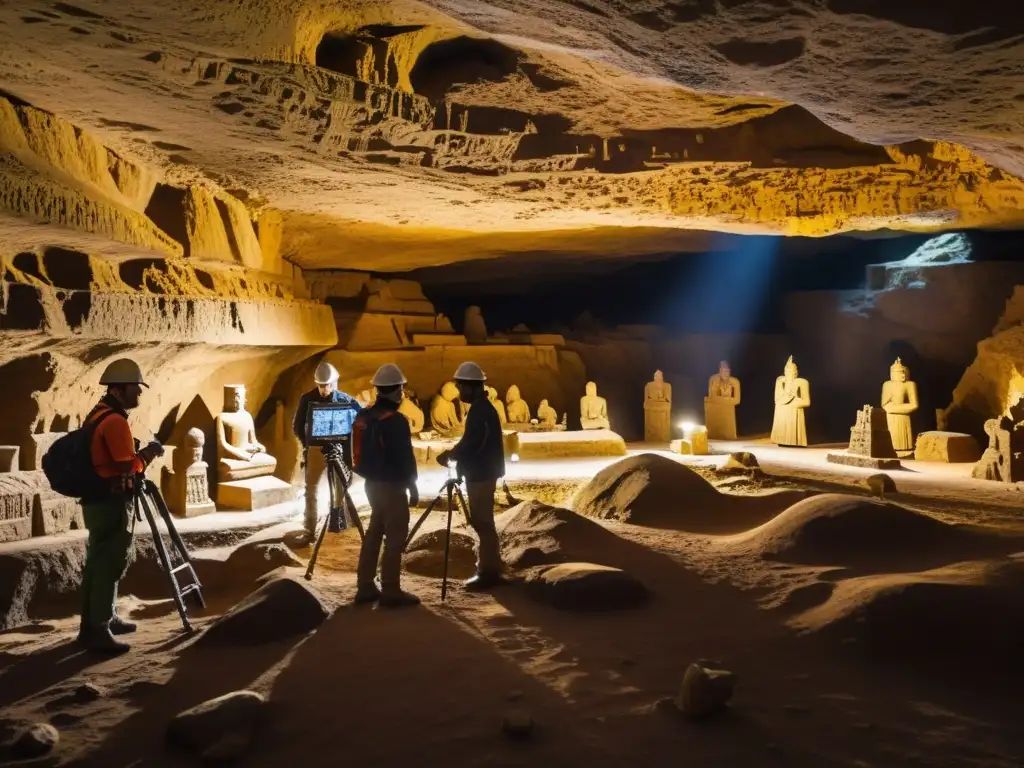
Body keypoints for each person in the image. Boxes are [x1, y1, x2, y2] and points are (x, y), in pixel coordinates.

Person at [79, 358, 163, 653]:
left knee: (99, 563)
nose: (138, 393)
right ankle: (99, 630)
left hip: (98, 499)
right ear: (118, 390)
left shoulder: (98, 414)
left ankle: (97, 622)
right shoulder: (114, 421)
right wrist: (149, 454)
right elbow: (127, 465)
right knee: (109, 563)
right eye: (134, 388)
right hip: (110, 500)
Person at [353, 363, 420, 607]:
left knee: (374, 532)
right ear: (395, 391)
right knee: (395, 536)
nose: (402, 394)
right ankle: (391, 589)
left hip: (371, 484)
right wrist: (412, 486)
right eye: (400, 390)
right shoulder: (396, 421)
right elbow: (404, 458)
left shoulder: (365, 416)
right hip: (393, 486)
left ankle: (365, 585)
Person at [437, 361, 506, 591]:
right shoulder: (481, 409)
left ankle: (488, 572)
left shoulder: (481, 411)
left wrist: (451, 455)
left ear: (473, 386)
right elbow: (472, 443)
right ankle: (491, 565)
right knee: (484, 521)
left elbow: (472, 444)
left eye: (462, 387)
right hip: (482, 470)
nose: (460, 392)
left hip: (481, 472)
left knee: (483, 523)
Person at [292, 360, 362, 542]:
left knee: (339, 487)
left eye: (327, 385)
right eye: (321, 386)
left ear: (334, 382)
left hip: (339, 449)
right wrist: (308, 444)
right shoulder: (307, 400)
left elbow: (361, 418)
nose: (324, 389)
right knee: (311, 488)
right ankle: (309, 529)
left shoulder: (346, 400)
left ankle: (337, 522)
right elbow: (297, 426)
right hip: (316, 449)